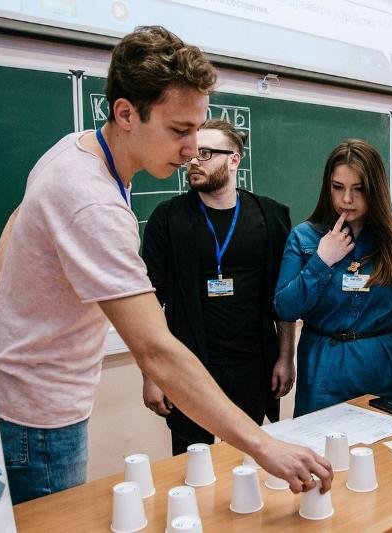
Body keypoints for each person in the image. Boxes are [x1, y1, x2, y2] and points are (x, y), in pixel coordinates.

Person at [0, 26, 332, 504]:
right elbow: (156, 350)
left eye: (198, 129)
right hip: (38, 420)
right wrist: (264, 445)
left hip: (17, 399)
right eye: (179, 130)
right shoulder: (95, 203)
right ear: (127, 114)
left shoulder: (75, 149)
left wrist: (2, 320)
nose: (191, 149)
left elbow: (17, 222)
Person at [141, 118, 295, 455]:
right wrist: (152, 374)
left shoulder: (270, 217)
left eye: (206, 153)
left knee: (247, 462)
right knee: (192, 465)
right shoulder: (167, 219)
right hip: (189, 367)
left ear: (234, 159)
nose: (193, 161)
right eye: (191, 154)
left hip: (252, 366)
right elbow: (150, 301)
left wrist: (286, 357)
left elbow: (282, 298)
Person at [274, 139, 392, 416]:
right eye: (338, 187)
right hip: (324, 368)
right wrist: (322, 261)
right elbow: (285, 308)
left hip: (385, 366)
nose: (346, 199)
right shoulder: (305, 237)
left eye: (359, 189)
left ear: (376, 189)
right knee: (321, 439)